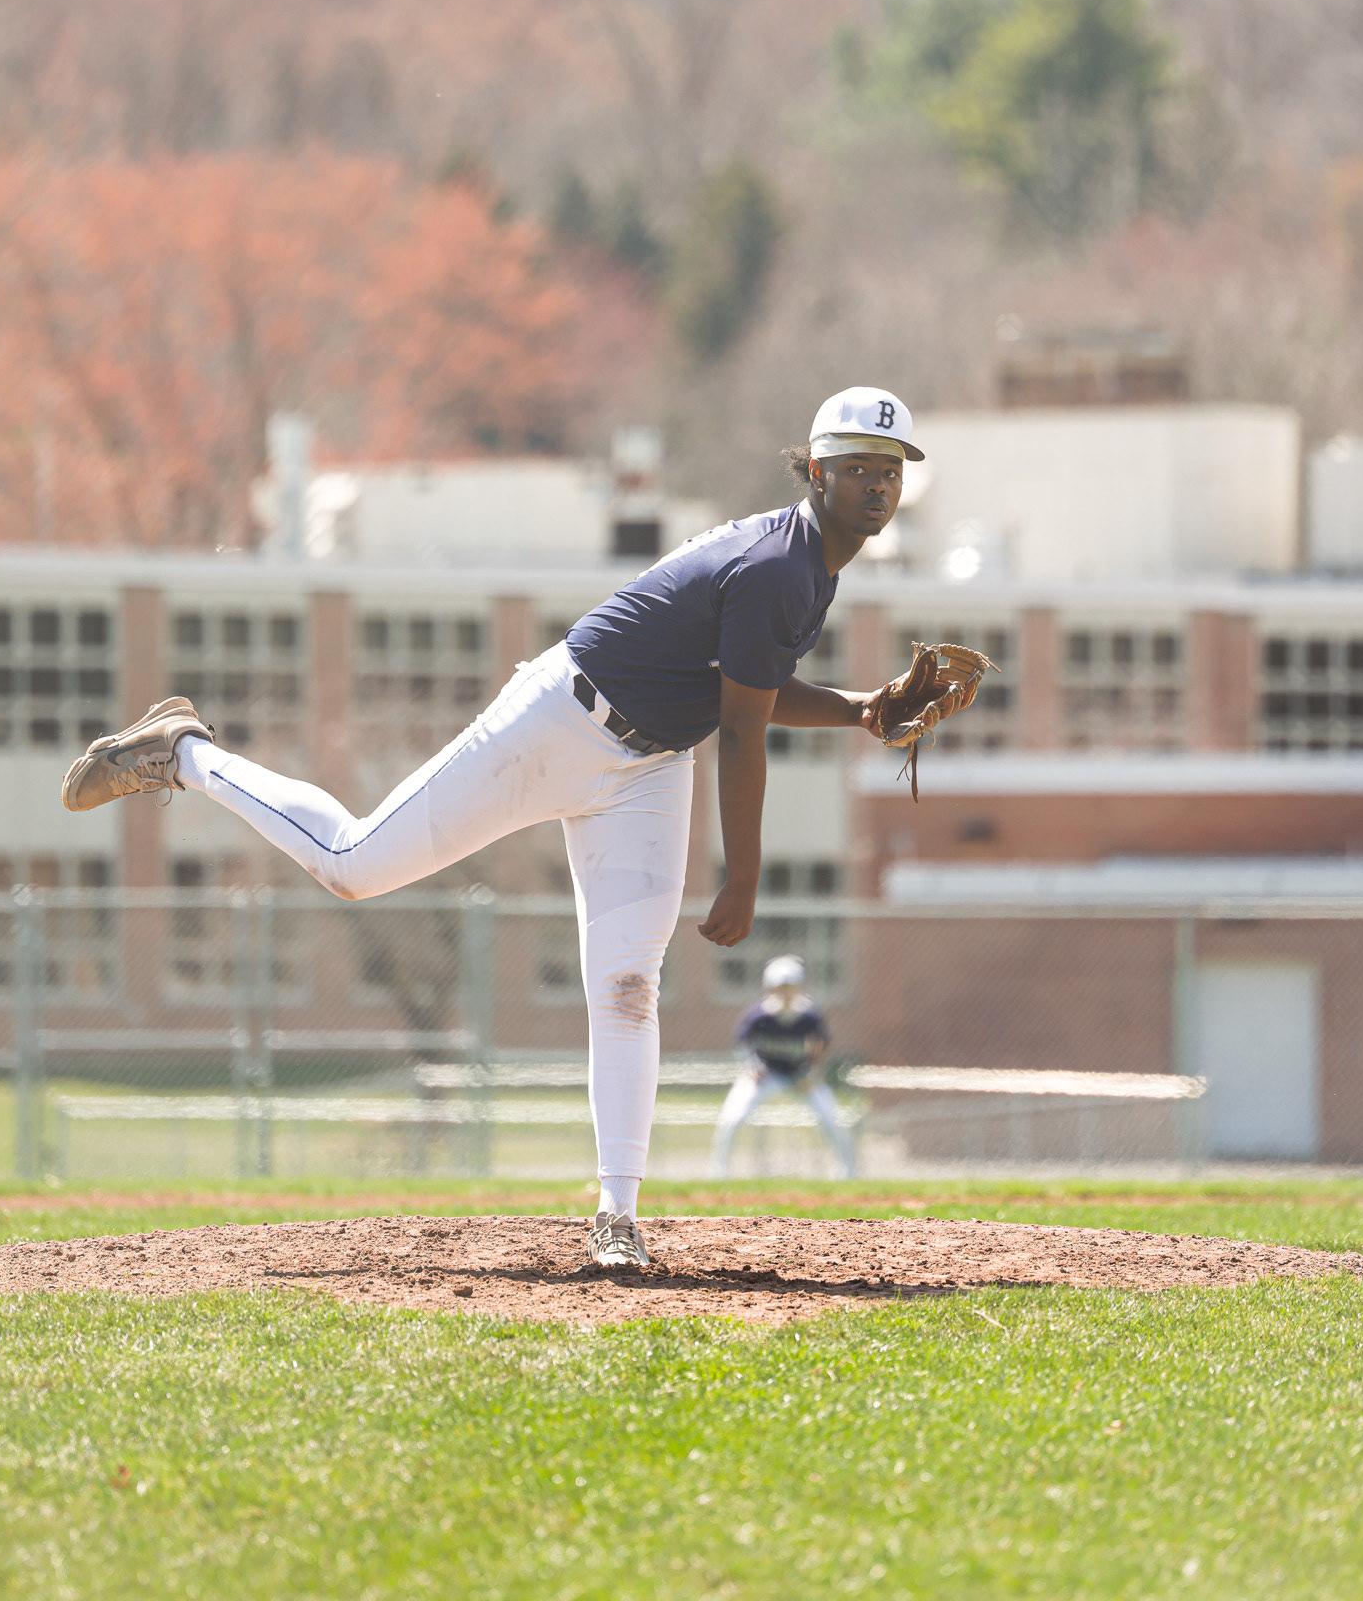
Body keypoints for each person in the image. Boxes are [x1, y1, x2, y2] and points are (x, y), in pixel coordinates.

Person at [60, 386, 926, 1268]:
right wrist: (742, 875)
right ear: (815, 471)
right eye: (856, 466)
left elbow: (749, 690)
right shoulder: (781, 565)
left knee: (628, 983)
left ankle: (617, 1217)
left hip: (653, 763)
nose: (876, 485)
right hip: (561, 721)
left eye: (890, 471)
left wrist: (861, 710)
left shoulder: (810, 563)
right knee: (354, 863)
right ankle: (185, 753)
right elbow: (742, 730)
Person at [710, 954, 855, 1177]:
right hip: (766, 1076)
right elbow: (742, 1044)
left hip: (799, 1076)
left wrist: (812, 1074)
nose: (785, 993)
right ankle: (718, 1173)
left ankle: (848, 1173)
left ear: (799, 987)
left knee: (833, 1118)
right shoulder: (758, 1016)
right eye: (780, 987)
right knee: (732, 1117)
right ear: (769, 988)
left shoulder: (809, 1017)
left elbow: (821, 1047)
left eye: (790, 987)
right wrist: (752, 1068)